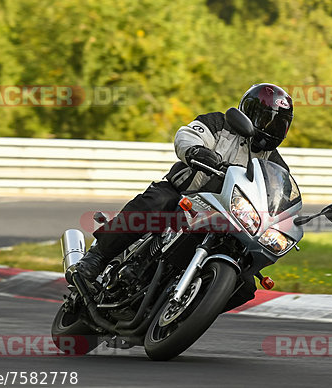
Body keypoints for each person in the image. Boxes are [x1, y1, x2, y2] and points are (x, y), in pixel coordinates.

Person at [74, 84, 294, 305]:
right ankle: (97, 258)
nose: (271, 128)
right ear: (249, 112)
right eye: (266, 119)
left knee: (245, 286)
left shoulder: (275, 164)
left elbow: (277, 197)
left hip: (226, 218)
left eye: (278, 124)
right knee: (158, 201)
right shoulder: (220, 124)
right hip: (183, 194)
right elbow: (187, 135)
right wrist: (195, 150)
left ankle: (186, 313)